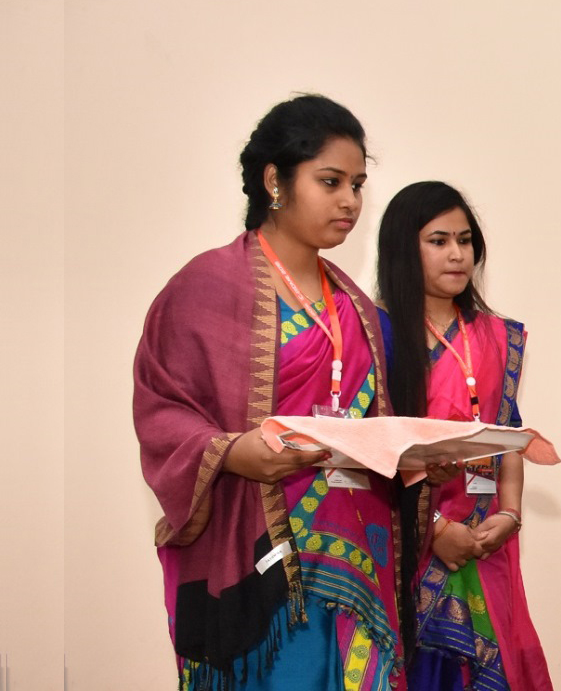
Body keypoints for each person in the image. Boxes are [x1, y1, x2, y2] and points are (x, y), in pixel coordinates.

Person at [135, 94, 420, 689]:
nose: (350, 201)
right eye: (331, 181)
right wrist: (233, 452)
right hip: (260, 558)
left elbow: (371, 422)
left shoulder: (357, 307)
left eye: (358, 185)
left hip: (355, 556)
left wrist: (417, 457)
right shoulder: (207, 288)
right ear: (274, 181)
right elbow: (162, 408)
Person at [376, 180, 554, 690]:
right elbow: (373, 447)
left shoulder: (495, 334)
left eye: (465, 240)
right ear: (403, 248)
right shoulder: (379, 332)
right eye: (438, 241)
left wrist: (510, 514)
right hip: (412, 547)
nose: (457, 254)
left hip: (487, 542)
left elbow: (509, 432)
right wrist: (434, 529)